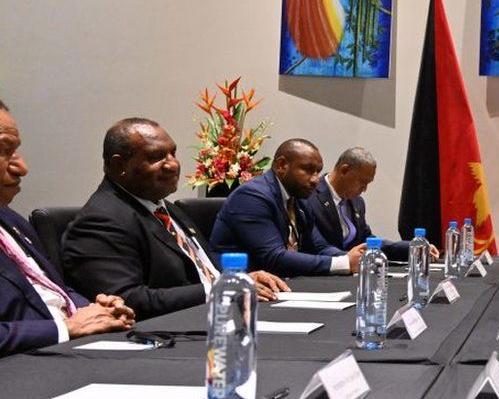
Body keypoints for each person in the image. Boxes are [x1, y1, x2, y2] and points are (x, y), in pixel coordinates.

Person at [62, 118, 288, 320]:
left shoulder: (165, 207)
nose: (173, 164)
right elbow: (127, 300)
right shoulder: (101, 221)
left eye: (173, 153)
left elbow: (202, 271)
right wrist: (222, 289)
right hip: (164, 336)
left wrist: (241, 279)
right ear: (120, 165)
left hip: (214, 316)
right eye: (157, 157)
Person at [0, 101, 134, 356]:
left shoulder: (10, 220)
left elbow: (53, 289)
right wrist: (67, 328)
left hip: (70, 350)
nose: (21, 168)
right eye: (5, 150)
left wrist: (94, 310)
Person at [210, 139, 366, 277]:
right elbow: (274, 257)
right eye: (308, 170)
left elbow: (318, 245)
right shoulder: (252, 196)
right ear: (281, 165)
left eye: (318, 172)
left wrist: (351, 258)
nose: (315, 180)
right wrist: (344, 263)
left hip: (282, 283)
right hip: (240, 287)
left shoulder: (299, 198)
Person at [305, 147, 436, 262]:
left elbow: (367, 241)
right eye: (363, 182)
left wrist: (413, 247)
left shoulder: (357, 202)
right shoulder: (309, 196)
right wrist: (349, 259)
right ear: (344, 170)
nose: (364, 189)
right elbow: (318, 247)